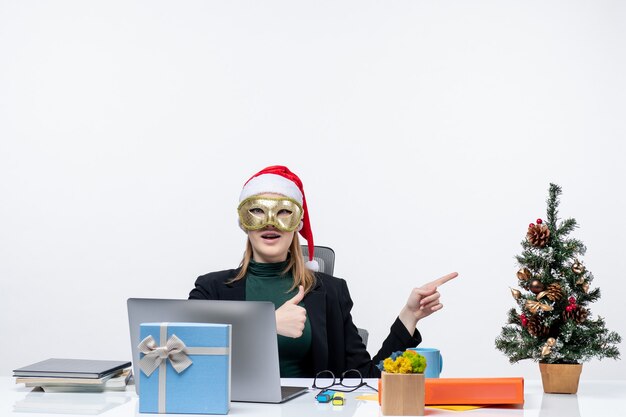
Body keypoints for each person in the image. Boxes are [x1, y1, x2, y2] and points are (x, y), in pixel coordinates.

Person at [189, 165, 457, 377]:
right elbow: (184, 355)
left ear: (298, 222)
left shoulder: (330, 292)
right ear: (243, 222)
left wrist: (408, 317)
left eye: (283, 212)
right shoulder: (211, 290)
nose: (270, 222)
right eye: (257, 211)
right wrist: (266, 325)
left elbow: (364, 378)